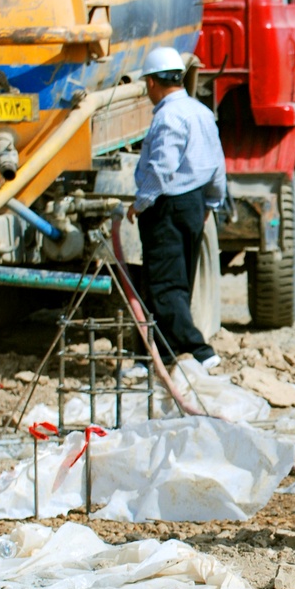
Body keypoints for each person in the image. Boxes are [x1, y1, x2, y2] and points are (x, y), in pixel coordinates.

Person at [126, 46, 226, 369]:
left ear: (153, 83)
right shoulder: (200, 112)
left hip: (167, 206)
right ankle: (156, 355)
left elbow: (161, 167)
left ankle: (199, 350)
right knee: (176, 280)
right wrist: (211, 201)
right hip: (194, 203)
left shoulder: (168, 116)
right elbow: (216, 164)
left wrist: (141, 203)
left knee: (163, 284)